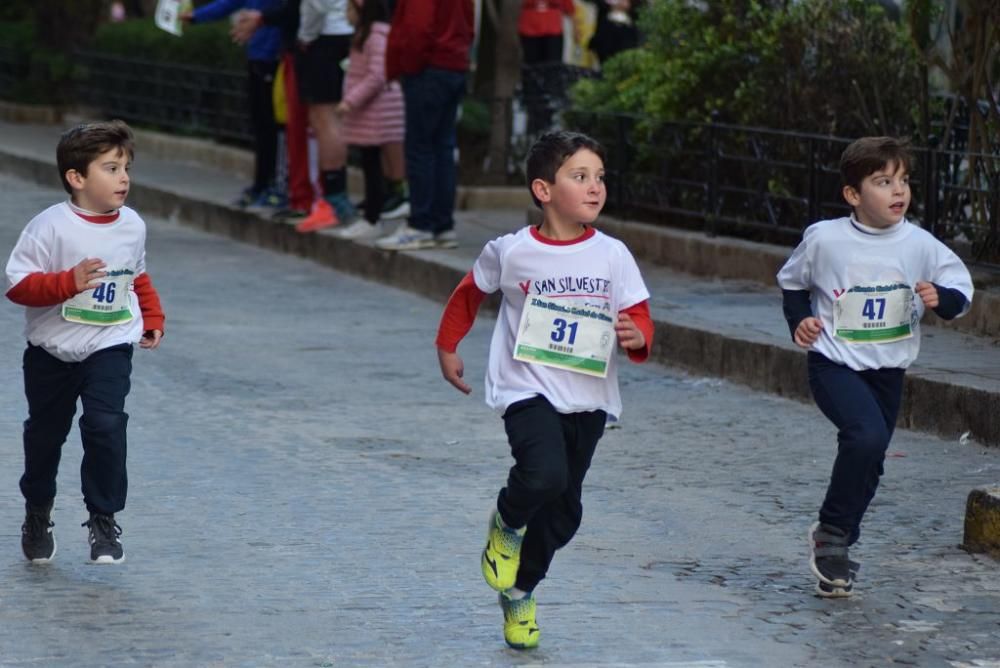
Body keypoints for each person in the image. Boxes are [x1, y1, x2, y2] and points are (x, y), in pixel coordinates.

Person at [435, 131, 654, 648]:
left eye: (600, 177)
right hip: (525, 388)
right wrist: (448, 346)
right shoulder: (512, 252)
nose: (595, 187)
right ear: (544, 189)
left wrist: (638, 336)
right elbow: (470, 293)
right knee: (542, 473)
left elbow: (638, 313)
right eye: (580, 177)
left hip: (589, 396)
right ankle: (506, 523)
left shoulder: (613, 254)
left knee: (565, 510)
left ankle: (520, 591)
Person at [776, 136, 974, 598]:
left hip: (888, 370)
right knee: (863, 437)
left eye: (903, 181)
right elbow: (792, 282)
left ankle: (838, 542)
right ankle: (832, 536)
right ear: (853, 194)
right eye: (883, 182)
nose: (897, 191)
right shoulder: (825, 239)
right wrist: (799, 320)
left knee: (873, 459)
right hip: (834, 363)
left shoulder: (919, 243)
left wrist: (939, 299)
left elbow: (960, 290)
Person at [5, 120, 166, 565]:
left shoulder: (132, 225)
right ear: (77, 178)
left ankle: (103, 517)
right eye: (111, 168)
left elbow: (135, 275)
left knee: (105, 425)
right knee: (45, 437)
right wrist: (65, 282)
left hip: (109, 342)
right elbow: (17, 285)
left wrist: (151, 316)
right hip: (51, 351)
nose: (124, 178)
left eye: (126, 167)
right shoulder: (50, 227)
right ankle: (38, 511)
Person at [375, 0, 474, 250]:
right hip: (453, 64)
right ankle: (442, 225)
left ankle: (421, 224)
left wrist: (406, 65)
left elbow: (418, 28)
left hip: (428, 68)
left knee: (421, 148)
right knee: (442, 148)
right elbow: (468, 25)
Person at [181, 0, 284, 209]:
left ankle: (276, 184)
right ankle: (261, 183)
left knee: (274, 125)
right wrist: (196, 16)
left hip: (275, 56)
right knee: (261, 125)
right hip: (257, 57)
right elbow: (230, 2)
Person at [331, 0, 406, 240]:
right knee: (370, 163)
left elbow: (377, 75)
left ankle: (373, 217)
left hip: (376, 112)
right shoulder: (365, 36)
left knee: (373, 165)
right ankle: (373, 213)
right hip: (368, 113)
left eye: (349, 9)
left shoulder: (375, 37)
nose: (346, 15)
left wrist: (350, 101)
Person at [293, 0, 358, 232]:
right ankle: (336, 197)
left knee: (325, 118)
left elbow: (316, 4)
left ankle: (333, 199)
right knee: (333, 118)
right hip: (345, 32)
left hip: (324, 36)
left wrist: (306, 35)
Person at [585, 0, 641, 66]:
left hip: (626, 36)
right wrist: (611, 5)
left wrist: (630, 4)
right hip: (605, 35)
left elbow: (640, 10)